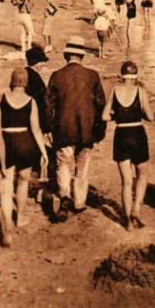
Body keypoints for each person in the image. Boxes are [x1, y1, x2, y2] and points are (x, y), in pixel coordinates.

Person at [45, 36, 106, 222]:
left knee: (63, 163)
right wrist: (99, 131)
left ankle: (64, 195)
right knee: (83, 166)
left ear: (66, 55)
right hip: (86, 129)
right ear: (82, 57)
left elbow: (49, 106)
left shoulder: (56, 75)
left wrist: (48, 128)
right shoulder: (92, 75)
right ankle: (79, 201)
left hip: (63, 129)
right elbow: (101, 104)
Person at [0, 68, 49, 239]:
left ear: (12, 80)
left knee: (5, 186)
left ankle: (7, 227)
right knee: (23, 183)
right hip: (25, 143)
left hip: (6, 143)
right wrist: (43, 151)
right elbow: (36, 129)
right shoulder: (30, 101)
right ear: (26, 83)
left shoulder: (1, 98)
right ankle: (21, 217)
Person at [101, 61, 154, 230]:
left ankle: (128, 221)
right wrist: (139, 114)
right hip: (137, 133)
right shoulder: (141, 91)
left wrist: (117, 115)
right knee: (142, 175)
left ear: (121, 76)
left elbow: (104, 117)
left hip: (121, 134)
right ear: (135, 76)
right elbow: (151, 117)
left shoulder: (114, 90)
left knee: (126, 181)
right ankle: (136, 209)